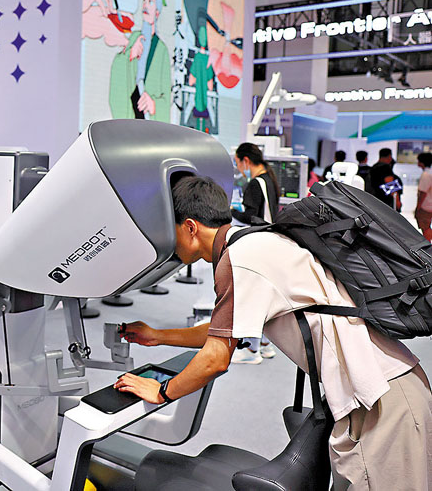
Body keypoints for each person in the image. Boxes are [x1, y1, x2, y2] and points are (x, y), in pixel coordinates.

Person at [116, 176, 432, 490]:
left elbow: (215, 359)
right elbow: (222, 333)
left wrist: (162, 391)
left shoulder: (240, 259)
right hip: (384, 389)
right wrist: (158, 336)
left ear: (189, 227)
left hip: (381, 400)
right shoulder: (253, 242)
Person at [230, 143, 279, 363]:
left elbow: (251, 217)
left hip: (259, 246)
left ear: (246, 160)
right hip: (271, 244)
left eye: (238, 163)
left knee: (251, 296)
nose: (239, 168)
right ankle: (266, 345)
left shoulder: (255, 184)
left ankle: (251, 350)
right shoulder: (270, 179)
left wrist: (231, 212)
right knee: (265, 297)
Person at [109, 0, 171, 123]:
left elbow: (166, 97)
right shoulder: (134, 38)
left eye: (150, 1)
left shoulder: (162, 50)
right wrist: (130, 54)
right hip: (130, 110)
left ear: (157, 12)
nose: (145, 5)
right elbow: (117, 70)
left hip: (146, 119)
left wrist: (153, 104)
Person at [416, 152, 432, 241]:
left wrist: (418, 207)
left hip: (425, 206)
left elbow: (423, 193)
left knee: (425, 227)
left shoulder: (426, 175)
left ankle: (428, 245)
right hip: (429, 205)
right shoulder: (429, 173)